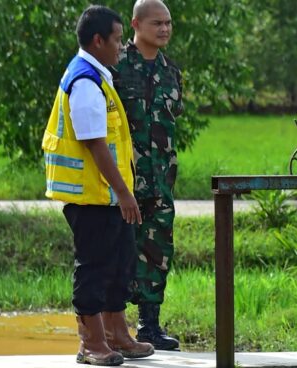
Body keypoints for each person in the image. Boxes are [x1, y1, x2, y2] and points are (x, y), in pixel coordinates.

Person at [42, 5, 154, 366]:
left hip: (106, 196)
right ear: (97, 40)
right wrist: (124, 192)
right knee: (94, 266)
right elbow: (94, 142)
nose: (122, 47)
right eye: (118, 39)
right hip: (91, 197)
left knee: (120, 262)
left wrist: (121, 193)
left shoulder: (98, 75)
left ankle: (117, 334)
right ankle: (91, 342)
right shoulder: (85, 81)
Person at [112, 0, 183, 350]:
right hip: (124, 180)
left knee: (157, 252)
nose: (165, 29)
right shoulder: (117, 67)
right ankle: (113, 330)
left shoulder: (172, 72)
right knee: (118, 252)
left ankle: (149, 327)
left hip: (160, 180)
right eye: (158, 23)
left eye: (168, 23)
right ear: (136, 24)